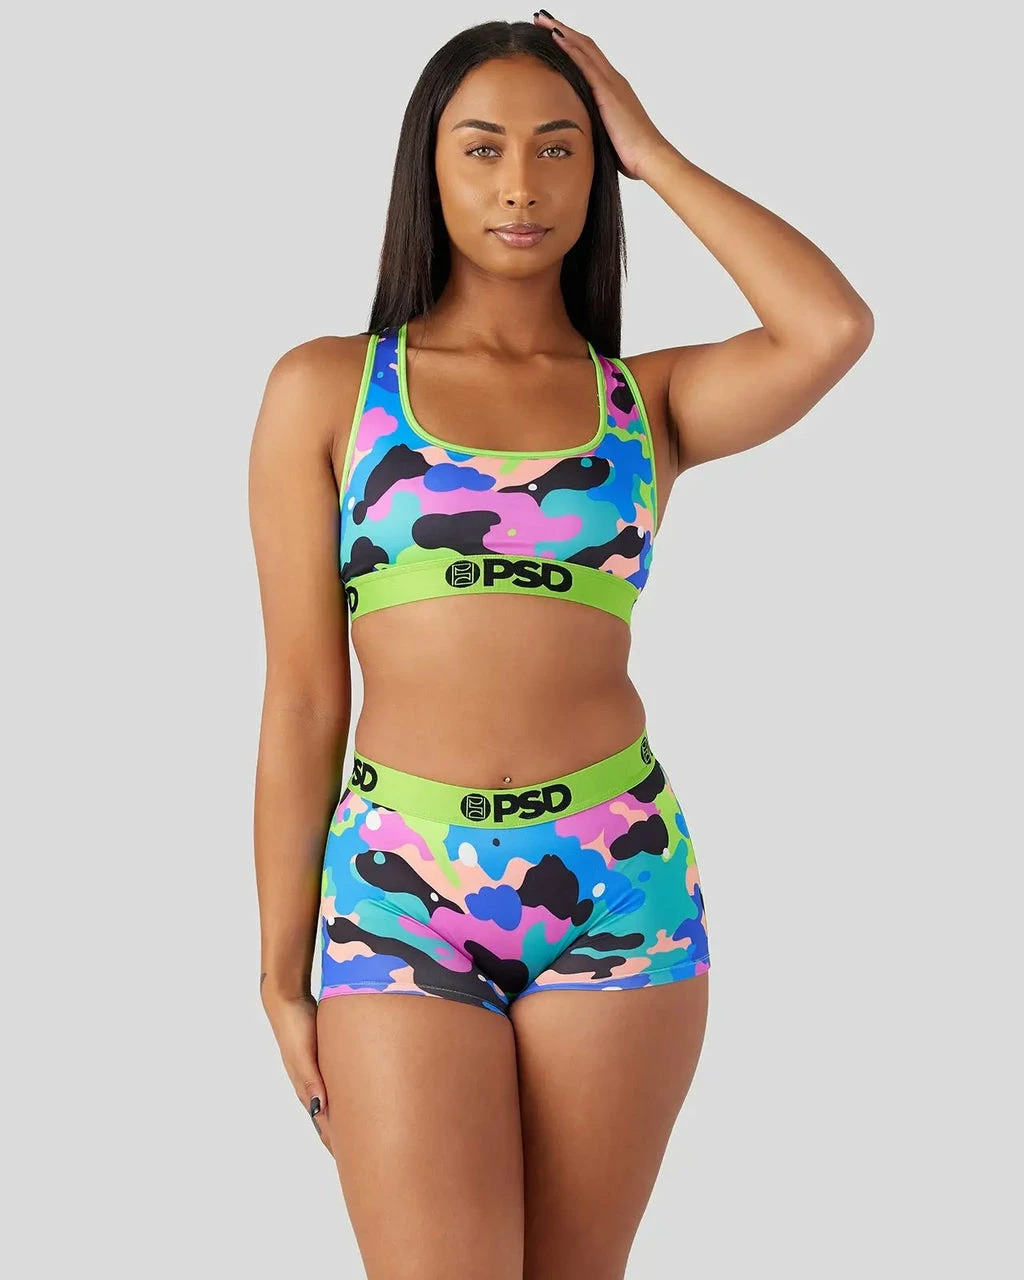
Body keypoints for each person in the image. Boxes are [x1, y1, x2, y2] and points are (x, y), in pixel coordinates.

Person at [247, 12, 872, 1278]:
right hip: (402, 891)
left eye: (559, 148)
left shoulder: (647, 401)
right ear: (428, 168)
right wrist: (278, 968)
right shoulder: (328, 389)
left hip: (617, 875)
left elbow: (829, 329)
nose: (521, 186)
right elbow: (305, 698)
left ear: (598, 172)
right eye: (482, 149)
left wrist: (655, 148)